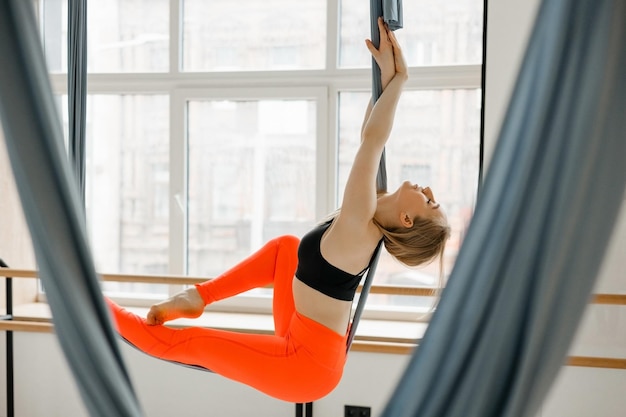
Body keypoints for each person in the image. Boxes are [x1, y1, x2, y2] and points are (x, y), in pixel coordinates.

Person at [106, 17, 450, 403]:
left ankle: (94, 305)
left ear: (407, 220)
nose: (429, 191)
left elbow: (373, 139)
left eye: (431, 203)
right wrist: (385, 77)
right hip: (302, 331)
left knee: (187, 344)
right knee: (288, 248)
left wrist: (400, 81)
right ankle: (198, 297)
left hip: (303, 366)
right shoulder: (369, 209)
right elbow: (369, 132)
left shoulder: (358, 225)